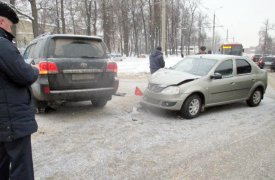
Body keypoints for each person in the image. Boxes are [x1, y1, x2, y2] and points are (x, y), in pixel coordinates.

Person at [0, 2, 39, 179]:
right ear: (1, 21)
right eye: (10, 24)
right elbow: (24, 75)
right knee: (21, 170)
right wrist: (34, 69)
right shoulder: (2, 45)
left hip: (4, 123)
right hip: (11, 122)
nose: (11, 28)